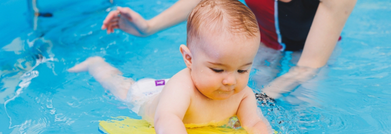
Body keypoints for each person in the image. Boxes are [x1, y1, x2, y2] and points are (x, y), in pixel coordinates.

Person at [69, 0, 290, 134]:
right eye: (217, 69)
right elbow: (165, 120)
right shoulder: (182, 87)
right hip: (147, 95)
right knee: (121, 88)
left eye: (242, 70)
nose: (231, 80)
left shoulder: (241, 94)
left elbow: (255, 123)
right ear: (189, 58)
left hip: (183, 91)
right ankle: (96, 64)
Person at [101, 0, 357, 99]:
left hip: (313, 53)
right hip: (264, 44)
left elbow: (308, 66)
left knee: (305, 103)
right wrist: (149, 27)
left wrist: (263, 98)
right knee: (232, 89)